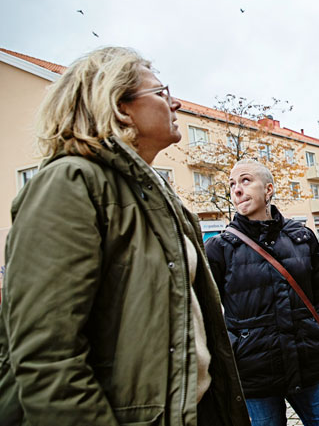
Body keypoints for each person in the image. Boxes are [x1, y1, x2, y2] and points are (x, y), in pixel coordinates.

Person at [0, 47, 250, 426]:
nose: (176, 103)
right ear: (120, 106)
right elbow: (48, 360)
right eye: (162, 93)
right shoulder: (69, 184)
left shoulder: (155, 195)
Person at [205, 160, 319, 426]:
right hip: (254, 372)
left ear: (268, 189)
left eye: (246, 181)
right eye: (232, 184)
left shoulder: (301, 236)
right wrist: (235, 345)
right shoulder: (220, 248)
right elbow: (204, 309)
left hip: (310, 364)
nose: (237, 189)